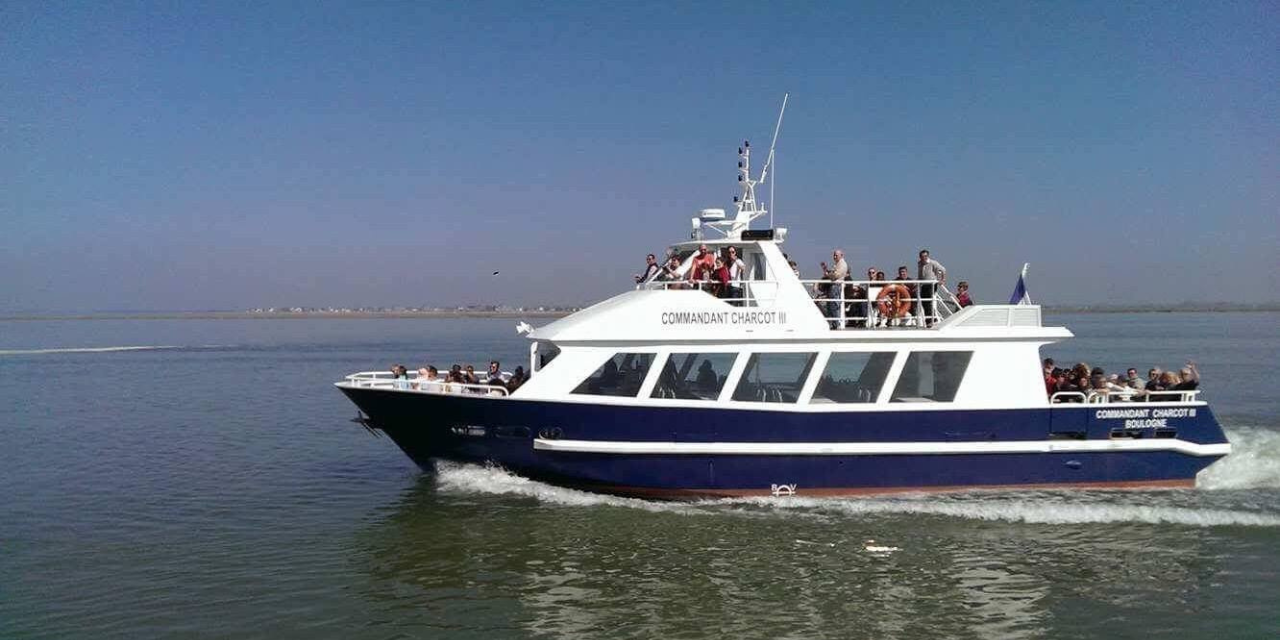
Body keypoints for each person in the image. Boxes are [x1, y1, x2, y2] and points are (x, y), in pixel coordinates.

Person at [917, 249, 947, 327]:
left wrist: (942, 280)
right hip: (923, 284)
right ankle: (931, 319)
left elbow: (943, 269)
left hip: (931, 284)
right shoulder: (919, 263)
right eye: (922, 256)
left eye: (925, 256)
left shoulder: (933, 263)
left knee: (928, 301)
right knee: (924, 302)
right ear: (920, 257)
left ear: (928, 256)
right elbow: (920, 275)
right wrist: (918, 284)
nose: (924, 257)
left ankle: (931, 320)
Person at [818, 249, 849, 321]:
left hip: (836, 286)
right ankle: (833, 322)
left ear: (841, 255)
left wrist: (828, 275)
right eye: (834, 255)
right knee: (830, 304)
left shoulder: (842, 264)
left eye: (836, 255)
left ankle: (835, 322)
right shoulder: (837, 264)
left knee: (833, 305)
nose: (834, 257)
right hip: (833, 286)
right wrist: (827, 271)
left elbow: (836, 275)